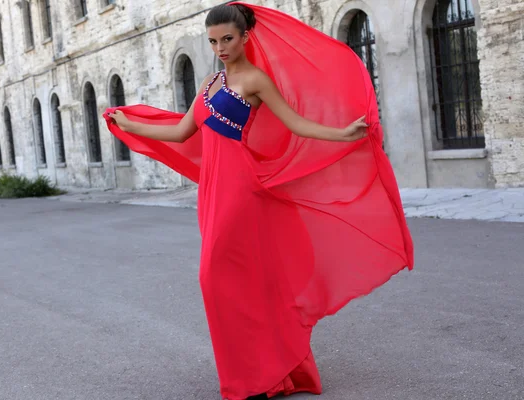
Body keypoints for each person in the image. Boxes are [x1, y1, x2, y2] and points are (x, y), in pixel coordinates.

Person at [106, 3, 414, 399]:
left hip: (239, 188)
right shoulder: (209, 82)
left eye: (227, 39)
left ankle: (250, 380)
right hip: (213, 190)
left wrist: (342, 134)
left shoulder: (255, 80)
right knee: (242, 284)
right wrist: (130, 125)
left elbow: (295, 122)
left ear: (246, 36)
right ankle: (262, 374)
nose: (220, 46)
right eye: (213, 40)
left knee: (213, 277)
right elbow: (183, 132)